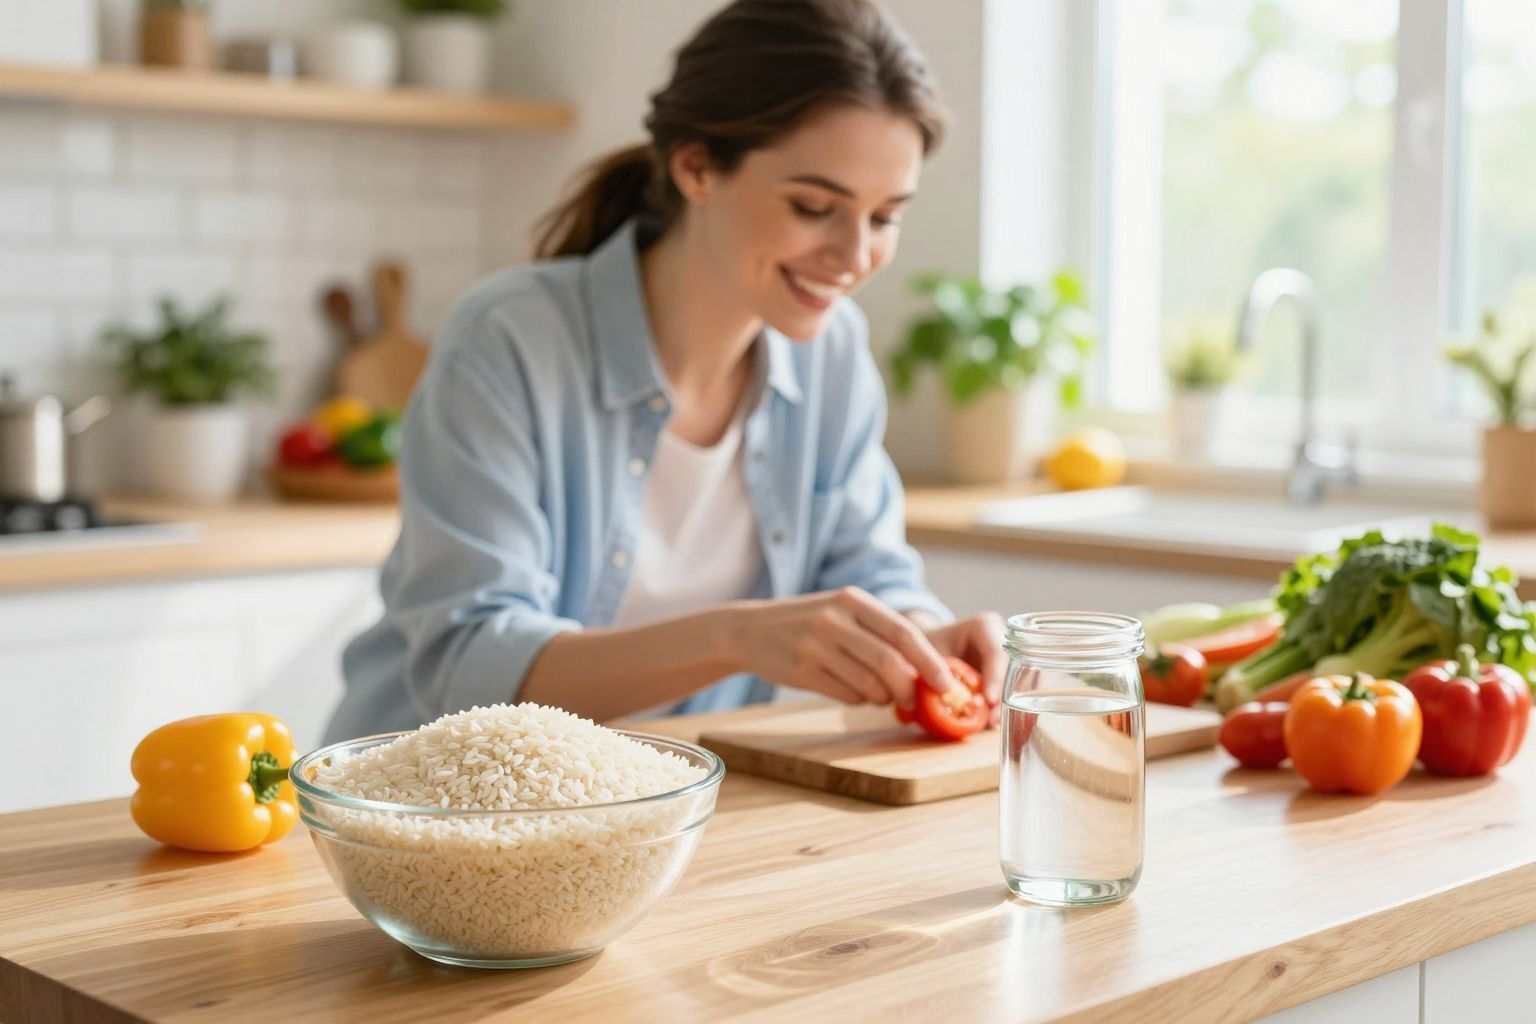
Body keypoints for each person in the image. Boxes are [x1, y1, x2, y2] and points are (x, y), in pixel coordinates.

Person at [323, 0, 1006, 743]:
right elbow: (471, 662)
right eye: (814, 206)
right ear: (696, 167)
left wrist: (920, 637)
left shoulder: (832, 352)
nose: (855, 255)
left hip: (664, 795)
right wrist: (737, 638)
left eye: (885, 217)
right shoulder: (510, 339)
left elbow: (870, 572)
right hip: (427, 790)